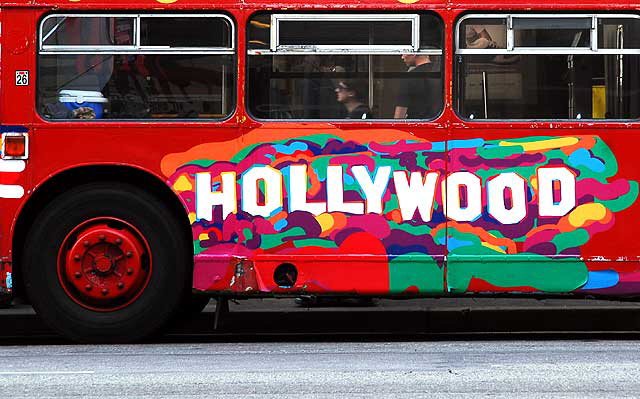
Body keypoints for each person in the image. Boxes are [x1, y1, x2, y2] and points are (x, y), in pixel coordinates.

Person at [394, 54, 441, 119]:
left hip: (414, 126)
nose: (402, 57)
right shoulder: (441, 74)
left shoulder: (409, 77)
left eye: (404, 52)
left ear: (414, 53)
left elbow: (399, 117)